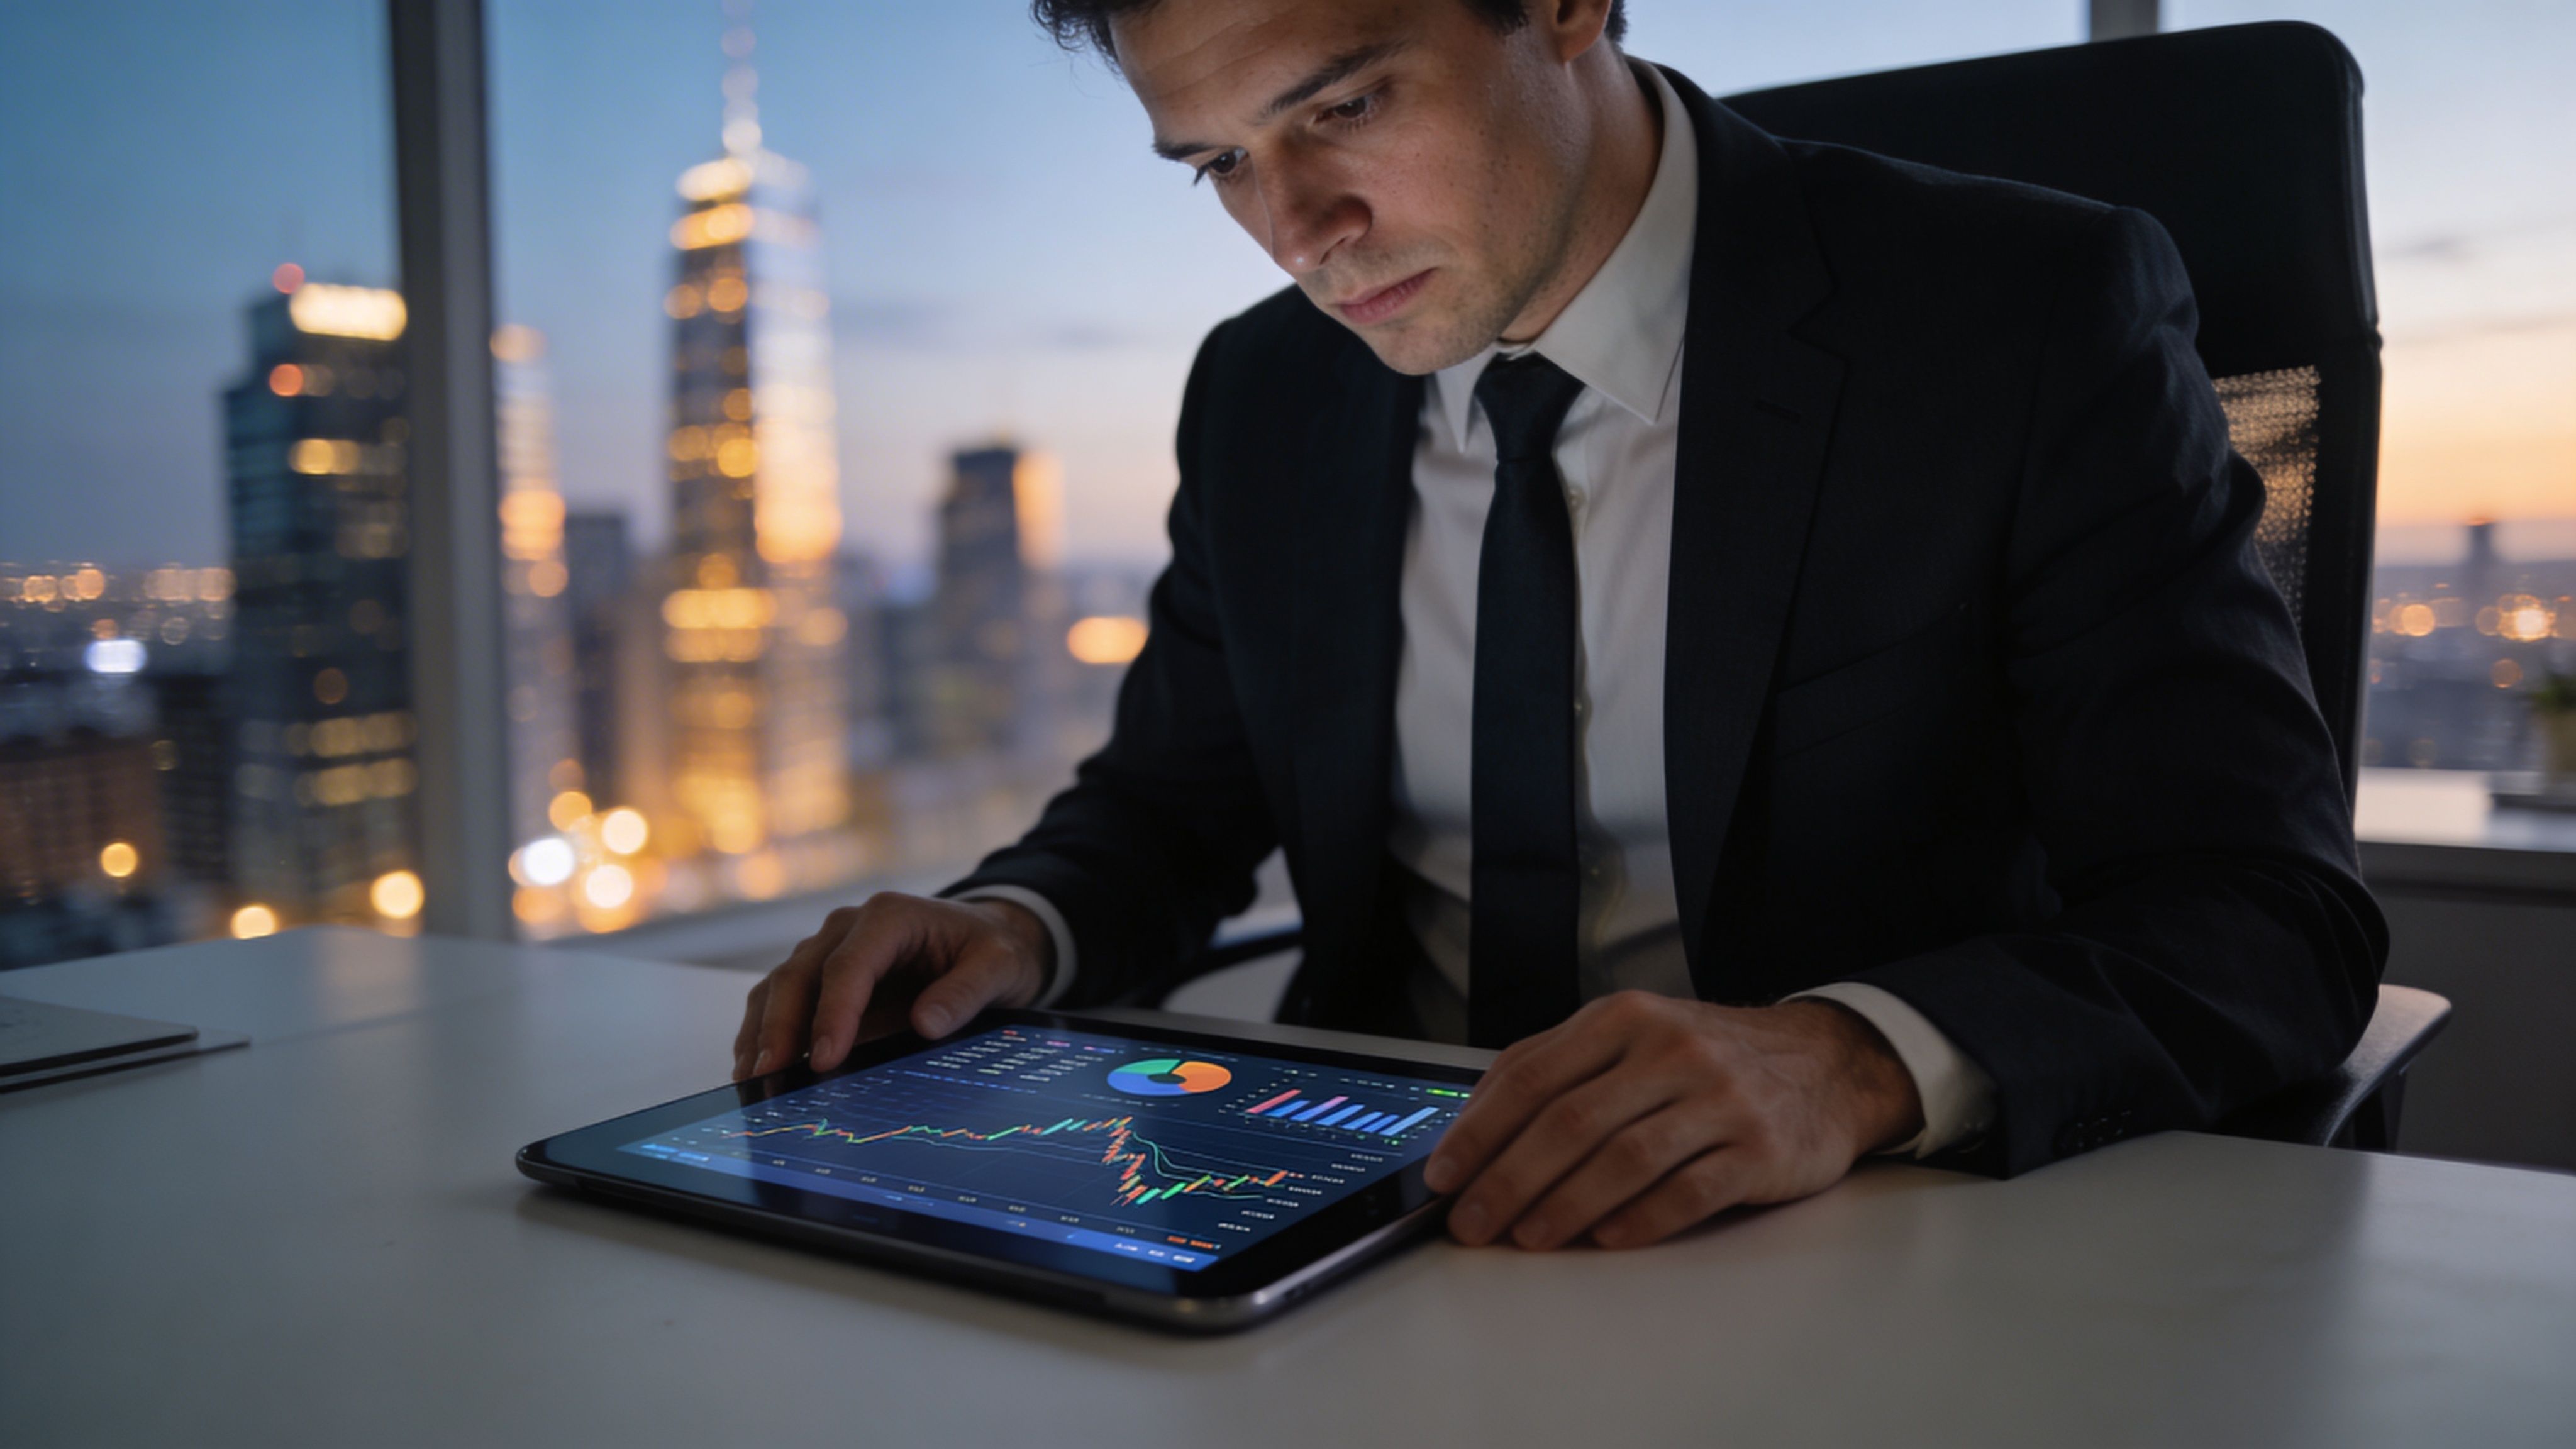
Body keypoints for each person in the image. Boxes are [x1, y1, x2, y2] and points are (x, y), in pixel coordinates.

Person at [733, 0, 2385, 1253]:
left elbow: (2260, 911)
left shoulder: (2015, 321)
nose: (1298, 230)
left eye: (1342, 106)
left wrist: (1855, 1062)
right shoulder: (1265, 394)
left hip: (1845, 1246)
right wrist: (1018, 926)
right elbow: (1177, 800)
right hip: (1363, 1243)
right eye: (1223, 163)